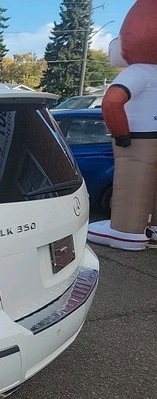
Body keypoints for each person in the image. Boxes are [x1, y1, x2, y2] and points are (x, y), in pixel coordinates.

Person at [87, 0, 157, 250]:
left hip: (138, 138)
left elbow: (112, 103)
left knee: (132, 185)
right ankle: (153, 228)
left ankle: (126, 231)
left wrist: (121, 134)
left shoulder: (136, 72)